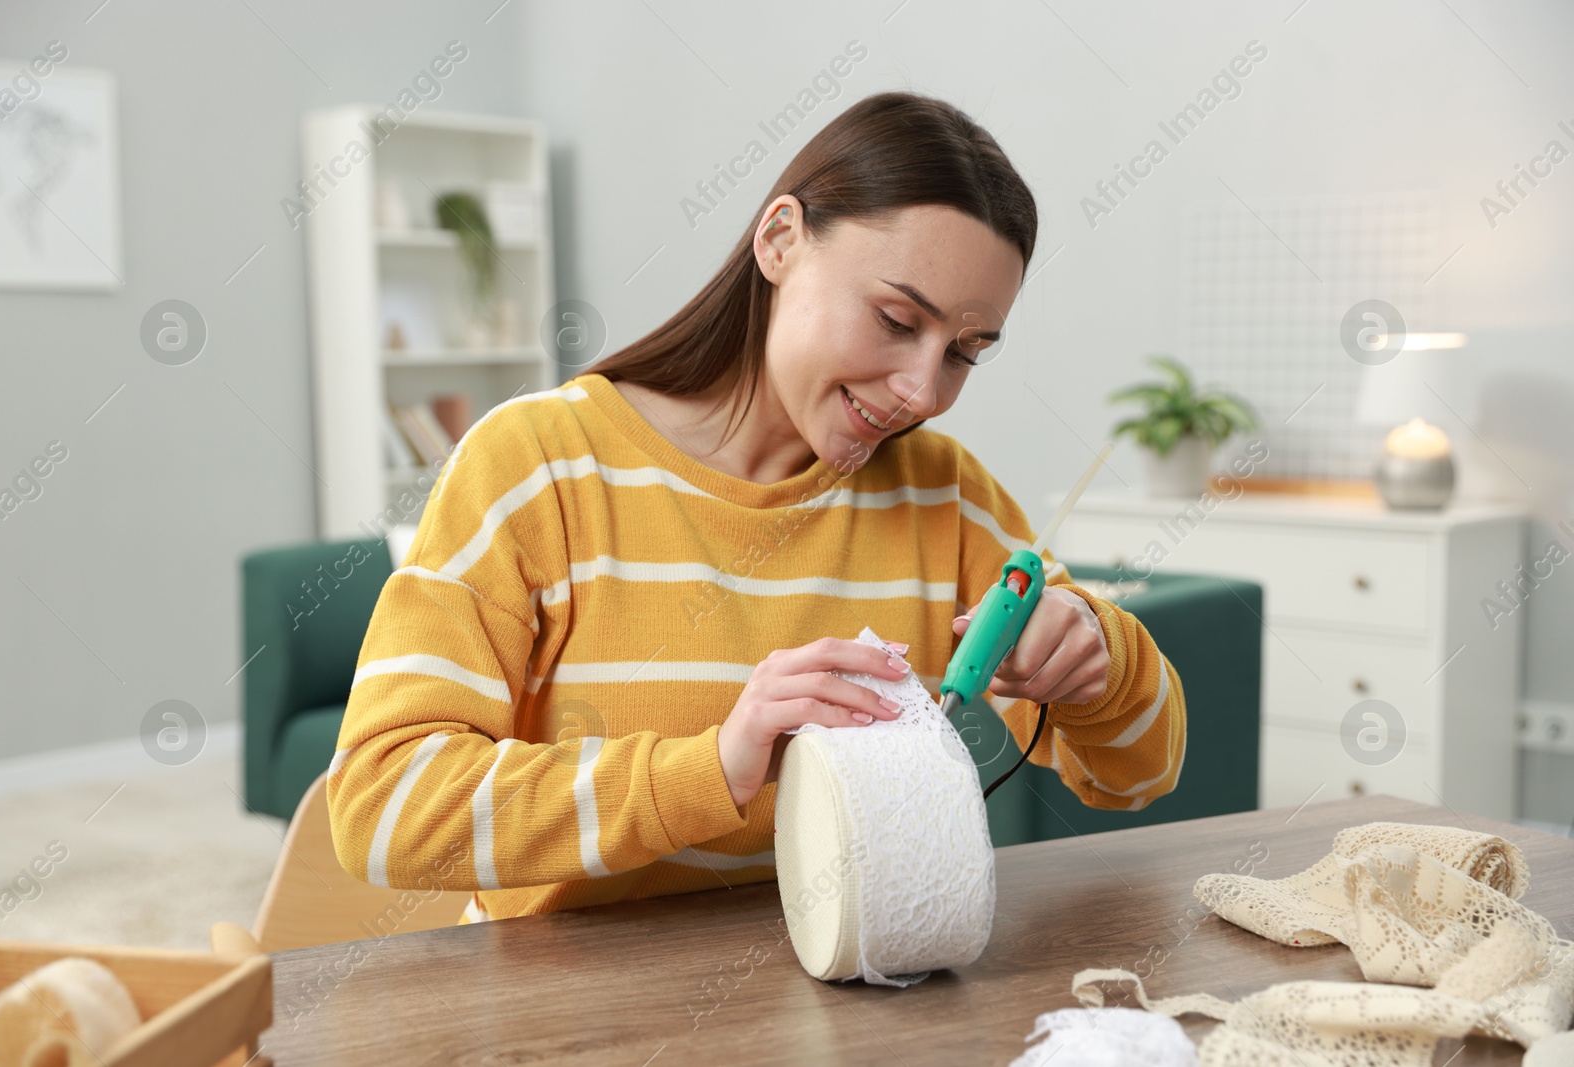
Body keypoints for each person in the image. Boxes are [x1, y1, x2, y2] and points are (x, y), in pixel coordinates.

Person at [326, 91, 1187, 924]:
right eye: (895, 319)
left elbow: (1135, 778)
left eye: (965, 352)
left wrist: (1096, 656)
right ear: (780, 240)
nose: (923, 389)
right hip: (568, 1020)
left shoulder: (943, 492)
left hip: (848, 997)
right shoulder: (536, 466)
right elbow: (383, 807)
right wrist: (713, 769)